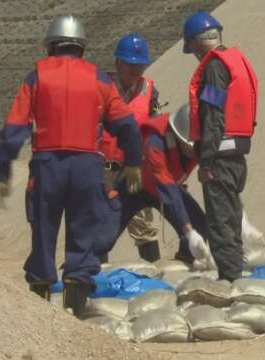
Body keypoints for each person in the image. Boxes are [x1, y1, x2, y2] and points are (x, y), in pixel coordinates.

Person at [0, 15, 142, 318]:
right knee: (83, 233)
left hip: (47, 165)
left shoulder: (37, 76)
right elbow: (126, 125)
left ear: (51, 46)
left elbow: (15, 125)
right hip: (87, 166)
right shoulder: (99, 78)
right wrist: (134, 161)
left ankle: (40, 302)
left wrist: (3, 166)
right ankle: (75, 306)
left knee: (43, 232)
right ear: (81, 48)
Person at [182, 11, 258, 281]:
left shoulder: (214, 68)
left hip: (219, 158)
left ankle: (231, 279)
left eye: (191, 46)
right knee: (232, 218)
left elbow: (213, 115)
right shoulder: (235, 60)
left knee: (220, 222)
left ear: (197, 42)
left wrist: (206, 161)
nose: (192, 53)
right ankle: (235, 271)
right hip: (236, 155)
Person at [97, 104, 215, 269]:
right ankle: (87, 270)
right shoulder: (154, 142)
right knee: (102, 234)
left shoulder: (199, 142)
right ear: (178, 137)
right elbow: (166, 186)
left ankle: (185, 263)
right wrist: (188, 231)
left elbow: (218, 176)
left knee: (199, 223)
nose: (195, 153)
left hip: (167, 188)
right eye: (191, 147)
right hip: (134, 186)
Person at [99, 32, 161, 263]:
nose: (136, 70)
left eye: (140, 65)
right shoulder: (100, 88)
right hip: (102, 168)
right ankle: (97, 278)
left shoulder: (149, 92)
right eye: (131, 64)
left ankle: (152, 275)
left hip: (134, 169)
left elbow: (153, 130)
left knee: (143, 225)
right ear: (118, 62)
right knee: (99, 224)